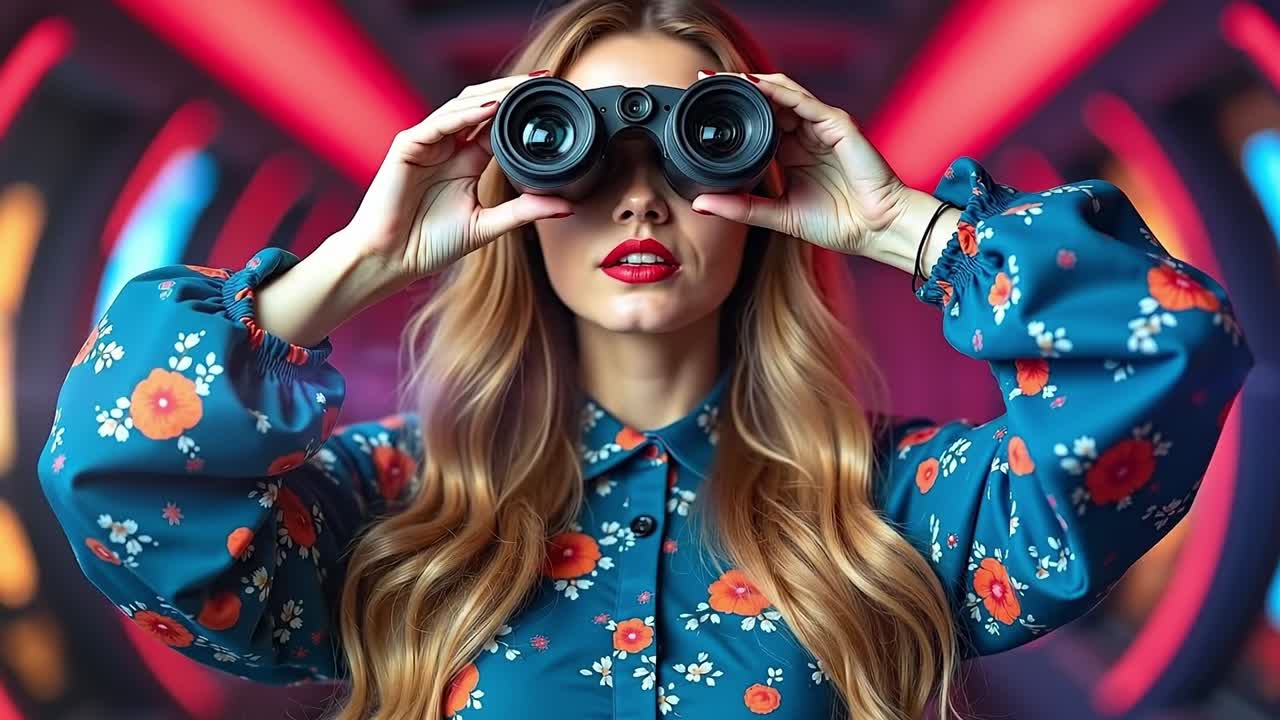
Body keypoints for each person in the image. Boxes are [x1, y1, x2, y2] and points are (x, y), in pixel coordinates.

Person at [37, 1, 1254, 719]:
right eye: (579, 155)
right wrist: (361, 253)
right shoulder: (391, 515)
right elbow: (116, 475)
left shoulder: (898, 517)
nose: (637, 201)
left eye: (695, 148)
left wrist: (902, 223)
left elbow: (1171, 354)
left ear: (765, 185)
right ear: (518, 192)